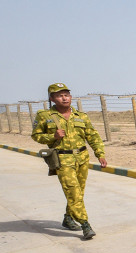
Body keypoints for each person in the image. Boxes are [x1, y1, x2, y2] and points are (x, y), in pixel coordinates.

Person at [31, 83, 108, 240]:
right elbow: (36, 135)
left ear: (71, 97)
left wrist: (100, 153)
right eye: (59, 95)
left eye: (66, 94)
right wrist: (53, 136)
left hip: (82, 157)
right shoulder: (44, 116)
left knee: (78, 192)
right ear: (52, 99)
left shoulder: (81, 116)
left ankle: (68, 218)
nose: (64, 97)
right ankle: (85, 224)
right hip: (62, 158)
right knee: (72, 190)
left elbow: (92, 135)